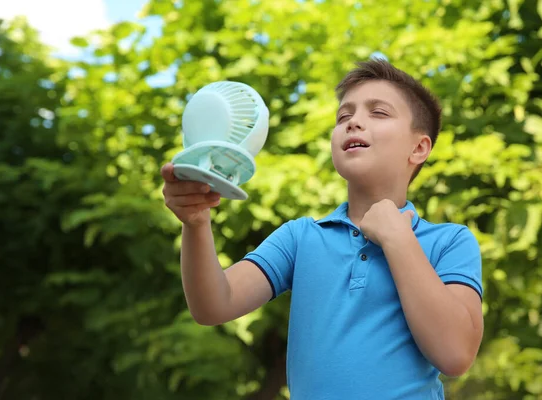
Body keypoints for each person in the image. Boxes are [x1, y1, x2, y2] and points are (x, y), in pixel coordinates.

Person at [161, 58, 484, 400]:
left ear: (419, 148)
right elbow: (213, 305)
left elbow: (455, 354)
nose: (354, 122)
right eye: (344, 116)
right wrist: (196, 223)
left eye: (378, 112)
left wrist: (397, 238)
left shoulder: (450, 241)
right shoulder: (300, 238)